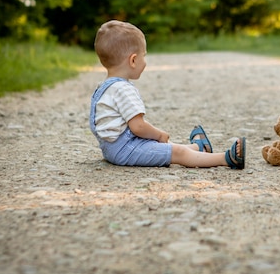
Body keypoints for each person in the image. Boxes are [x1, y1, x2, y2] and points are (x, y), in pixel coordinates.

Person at [89, 20, 245, 169]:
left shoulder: (105, 87)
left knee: (162, 148)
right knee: (177, 153)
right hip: (125, 150)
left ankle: (198, 147)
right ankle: (226, 158)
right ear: (133, 60)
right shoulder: (123, 89)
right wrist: (159, 134)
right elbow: (138, 126)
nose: (145, 61)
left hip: (112, 149)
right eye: (144, 56)